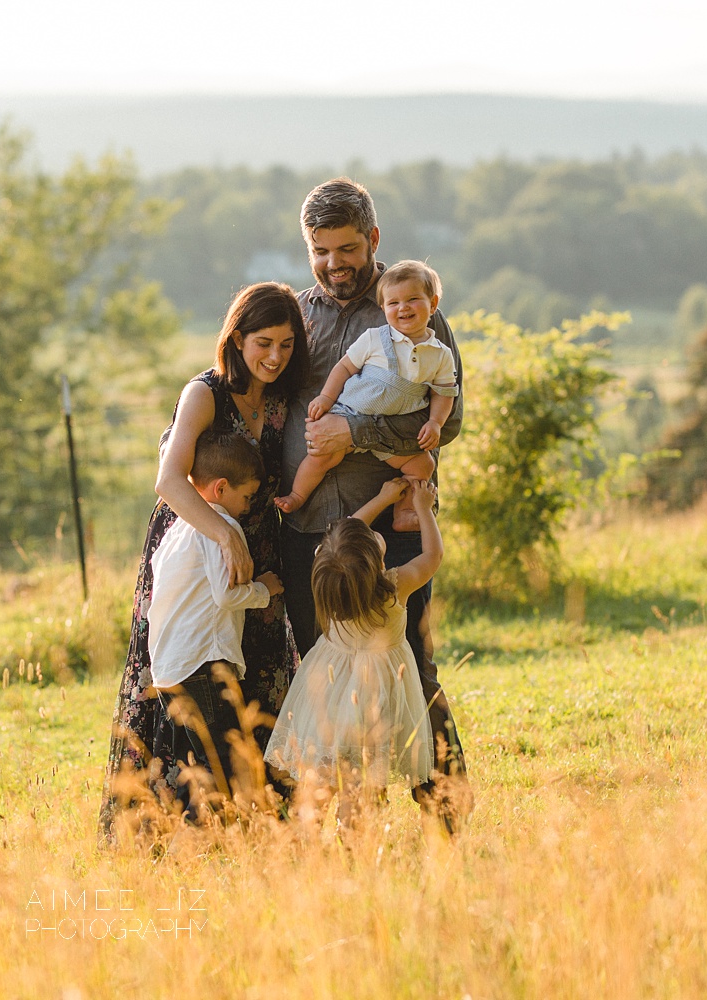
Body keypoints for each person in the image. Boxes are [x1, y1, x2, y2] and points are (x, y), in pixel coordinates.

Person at [279, 177, 472, 832]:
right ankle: (351, 828)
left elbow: (449, 421)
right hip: (311, 537)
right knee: (329, 680)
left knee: (408, 670)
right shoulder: (299, 314)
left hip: (389, 533)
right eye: (320, 250)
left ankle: (449, 817)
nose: (334, 263)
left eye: (346, 248)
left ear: (374, 241)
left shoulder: (408, 308)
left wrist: (356, 434)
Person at [100, 282, 309, 838]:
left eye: (287, 345)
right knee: (185, 677)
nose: (274, 356)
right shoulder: (205, 392)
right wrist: (223, 533)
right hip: (195, 541)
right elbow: (169, 479)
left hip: (258, 545)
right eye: (264, 342)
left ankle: (260, 819)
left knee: (260, 673)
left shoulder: (286, 396)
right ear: (236, 338)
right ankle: (167, 825)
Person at [265, 479, 441, 830]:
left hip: (328, 696)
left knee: (322, 775)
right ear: (376, 564)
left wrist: (380, 496)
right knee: (363, 786)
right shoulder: (394, 587)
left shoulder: (327, 580)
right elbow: (433, 556)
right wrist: (423, 506)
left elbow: (343, 533)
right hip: (374, 700)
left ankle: (305, 837)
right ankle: (356, 843)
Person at [147, 431, 284, 821]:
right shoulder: (219, 527)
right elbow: (226, 595)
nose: (247, 507)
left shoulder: (175, 532)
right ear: (221, 488)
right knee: (222, 764)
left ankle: (193, 840)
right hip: (202, 664)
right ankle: (194, 839)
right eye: (246, 497)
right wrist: (264, 590)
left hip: (169, 667)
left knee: (196, 762)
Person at [275, 260, 458, 533]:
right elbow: (344, 367)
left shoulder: (440, 354)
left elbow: (444, 393)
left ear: (432, 305)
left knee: (423, 465)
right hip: (349, 411)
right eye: (393, 303)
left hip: (387, 433)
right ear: (383, 308)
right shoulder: (374, 338)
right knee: (320, 457)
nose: (403, 307)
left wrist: (435, 422)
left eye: (412, 300)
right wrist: (326, 399)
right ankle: (297, 496)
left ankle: (405, 510)